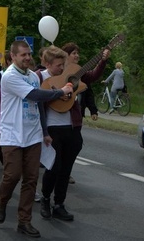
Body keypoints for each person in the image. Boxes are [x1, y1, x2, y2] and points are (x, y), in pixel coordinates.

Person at [0, 41, 73, 238]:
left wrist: (45, 131)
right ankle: (2, 200)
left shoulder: (32, 76)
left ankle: (24, 221)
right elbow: (35, 94)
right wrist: (61, 91)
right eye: (23, 55)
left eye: (29, 54)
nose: (27, 58)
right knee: (12, 175)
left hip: (32, 135)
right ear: (13, 57)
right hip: (12, 134)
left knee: (31, 179)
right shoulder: (9, 76)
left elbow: (37, 104)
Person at [39, 45, 110, 221]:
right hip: (52, 128)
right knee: (53, 168)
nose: (62, 68)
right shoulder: (41, 77)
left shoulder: (74, 73)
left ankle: (59, 204)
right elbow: (37, 103)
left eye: (64, 64)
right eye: (59, 65)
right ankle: (45, 199)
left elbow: (92, 77)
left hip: (72, 127)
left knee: (66, 169)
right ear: (49, 63)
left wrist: (103, 61)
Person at [61, 42, 109, 184]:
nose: (77, 55)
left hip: (75, 116)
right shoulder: (59, 69)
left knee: (76, 144)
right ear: (66, 55)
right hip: (59, 115)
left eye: (77, 53)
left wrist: (103, 61)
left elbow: (93, 76)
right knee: (61, 147)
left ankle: (66, 171)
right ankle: (57, 170)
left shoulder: (80, 72)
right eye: (73, 53)